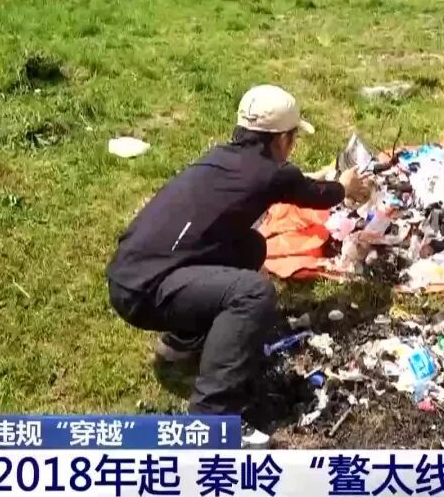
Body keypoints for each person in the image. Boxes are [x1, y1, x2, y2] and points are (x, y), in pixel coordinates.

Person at [106, 85, 369, 423]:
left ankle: (184, 340)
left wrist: (317, 179)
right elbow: (319, 195)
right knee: (252, 293)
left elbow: (288, 184)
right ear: (281, 140)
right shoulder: (272, 174)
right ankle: (211, 415)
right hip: (146, 294)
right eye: (293, 138)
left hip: (129, 272)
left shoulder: (221, 158)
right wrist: (345, 186)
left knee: (251, 246)